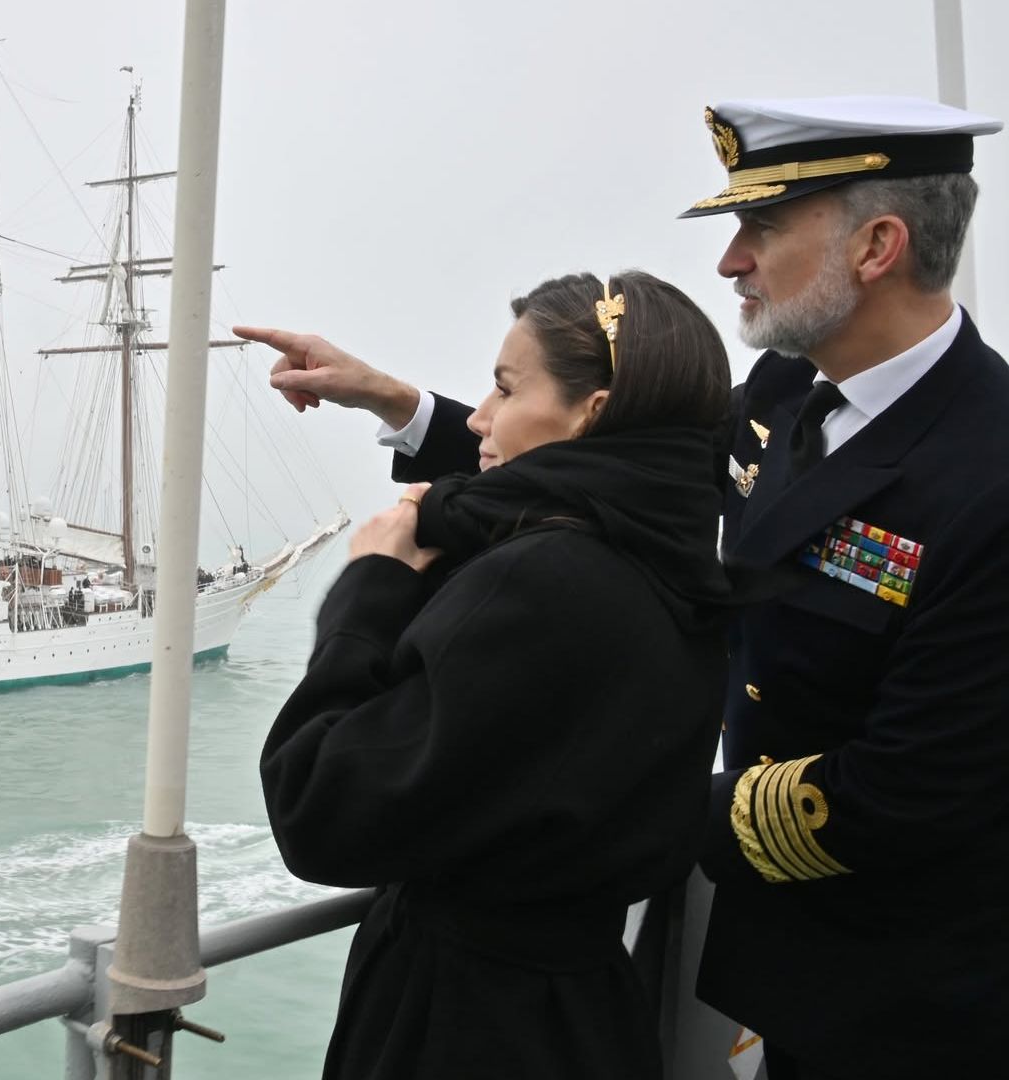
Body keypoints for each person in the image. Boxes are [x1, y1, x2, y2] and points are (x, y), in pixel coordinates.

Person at [239, 95, 1009, 1080]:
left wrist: (606, 805)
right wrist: (398, 403)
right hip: (754, 967)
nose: (731, 258)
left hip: (912, 997)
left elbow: (910, 793)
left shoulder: (987, 478)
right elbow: (619, 470)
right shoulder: (782, 401)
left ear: (877, 247)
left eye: (762, 227)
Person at [254, 271, 734, 1079]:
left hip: (463, 1026)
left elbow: (319, 809)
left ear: (594, 411)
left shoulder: (540, 582)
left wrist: (370, 589)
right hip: (586, 1010)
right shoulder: (675, 559)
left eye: (506, 390)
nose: (479, 416)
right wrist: (386, 398)